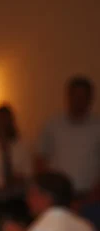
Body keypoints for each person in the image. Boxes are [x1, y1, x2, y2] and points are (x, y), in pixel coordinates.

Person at [36, 76, 100, 206]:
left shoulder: (97, 126)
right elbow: (40, 159)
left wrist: (94, 194)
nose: (79, 100)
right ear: (68, 96)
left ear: (90, 98)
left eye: (83, 96)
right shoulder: (53, 124)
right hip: (57, 197)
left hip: (91, 196)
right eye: (75, 96)